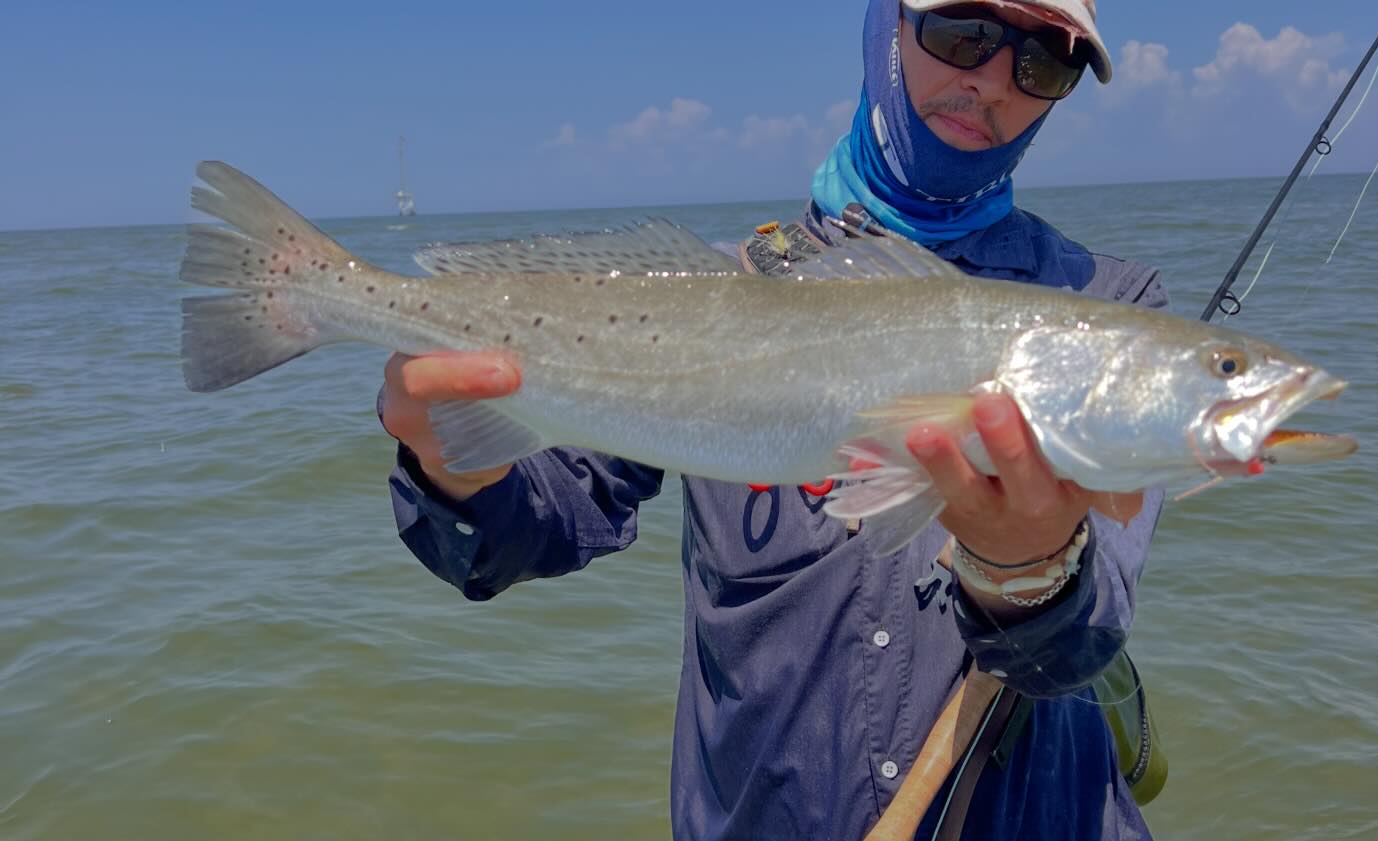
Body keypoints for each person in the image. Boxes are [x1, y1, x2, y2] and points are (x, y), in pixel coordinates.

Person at [380, 1, 1169, 838]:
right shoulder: (715, 296)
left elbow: (1082, 641)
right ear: (885, 27)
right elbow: (534, 527)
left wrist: (1028, 572)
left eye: (1044, 61)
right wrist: (454, 467)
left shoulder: (1108, 315)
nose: (991, 83)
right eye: (962, 32)